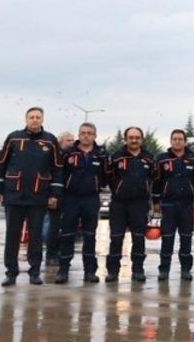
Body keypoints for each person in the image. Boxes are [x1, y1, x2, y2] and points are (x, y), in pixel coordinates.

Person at [0, 106, 64, 286]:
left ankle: (34, 272)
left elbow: (58, 168)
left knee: (36, 236)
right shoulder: (14, 138)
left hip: (38, 196)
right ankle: (11, 272)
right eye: (32, 117)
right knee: (12, 236)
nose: (35, 120)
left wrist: (55, 194)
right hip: (14, 194)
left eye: (38, 117)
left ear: (43, 120)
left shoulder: (50, 141)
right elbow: (0, 163)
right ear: (26, 119)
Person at [56, 122, 107, 284]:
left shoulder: (102, 155)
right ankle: (63, 270)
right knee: (67, 235)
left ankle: (90, 272)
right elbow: (58, 174)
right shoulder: (67, 153)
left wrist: (98, 185)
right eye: (83, 133)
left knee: (90, 236)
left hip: (91, 199)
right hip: (70, 198)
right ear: (79, 135)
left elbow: (107, 175)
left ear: (95, 136)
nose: (86, 135)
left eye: (90, 133)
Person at [105, 126, 154, 283]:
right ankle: (113, 272)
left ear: (142, 139)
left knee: (139, 239)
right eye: (131, 137)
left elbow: (155, 178)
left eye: (137, 137)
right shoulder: (117, 157)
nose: (134, 140)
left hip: (140, 205)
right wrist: (119, 190)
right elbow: (109, 177)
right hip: (119, 204)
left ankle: (138, 270)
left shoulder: (149, 158)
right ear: (125, 139)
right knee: (116, 238)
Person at [152, 128, 194, 282]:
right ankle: (164, 270)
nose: (177, 141)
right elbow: (156, 181)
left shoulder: (193, 159)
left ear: (185, 141)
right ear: (170, 140)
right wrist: (155, 201)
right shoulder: (162, 159)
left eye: (180, 139)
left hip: (187, 205)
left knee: (186, 238)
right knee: (167, 238)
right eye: (174, 139)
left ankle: (186, 270)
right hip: (168, 204)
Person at [44, 131, 75, 266]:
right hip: (56, 195)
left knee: (67, 227)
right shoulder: (55, 156)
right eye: (68, 140)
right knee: (54, 226)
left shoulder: (73, 156)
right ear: (61, 142)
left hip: (70, 196)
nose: (71, 143)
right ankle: (51, 253)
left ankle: (63, 252)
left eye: (73, 140)